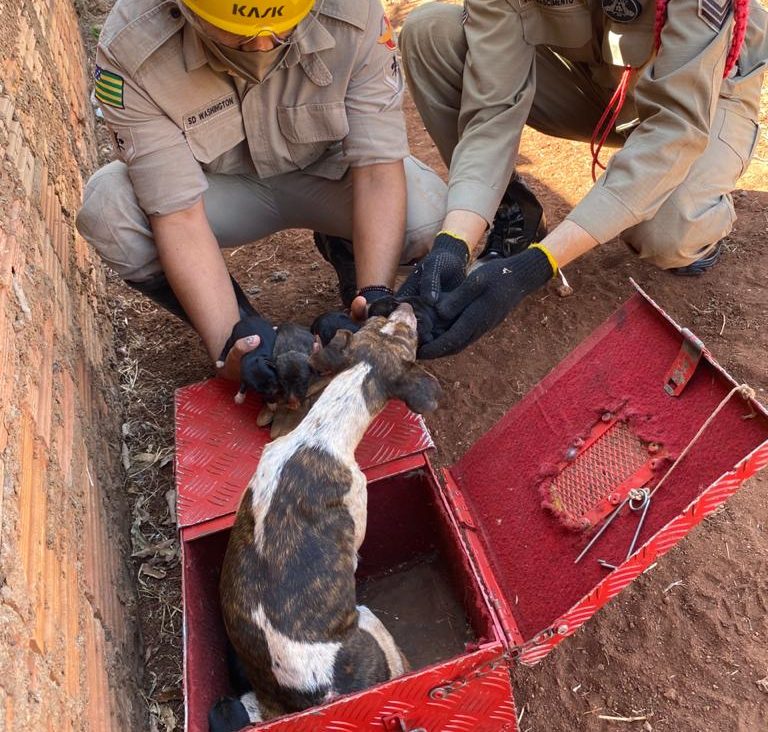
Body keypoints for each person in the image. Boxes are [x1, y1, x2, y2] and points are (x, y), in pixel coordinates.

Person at [76, 0, 446, 386]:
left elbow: (377, 169)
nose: (263, 46)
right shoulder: (131, 49)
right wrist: (230, 347)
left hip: (328, 172)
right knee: (109, 210)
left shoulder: (353, 9)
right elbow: (177, 214)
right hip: (217, 191)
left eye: (282, 27)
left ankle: (348, 256)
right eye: (237, 32)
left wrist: (374, 295)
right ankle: (248, 332)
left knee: (428, 220)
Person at [396, 0, 767, 359]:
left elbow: (675, 129)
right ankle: (511, 212)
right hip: (593, 83)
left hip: (704, 92)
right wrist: (453, 243)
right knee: (432, 33)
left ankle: (701, 215)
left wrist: (536, 265)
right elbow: (492, 110)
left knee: (667, 233)